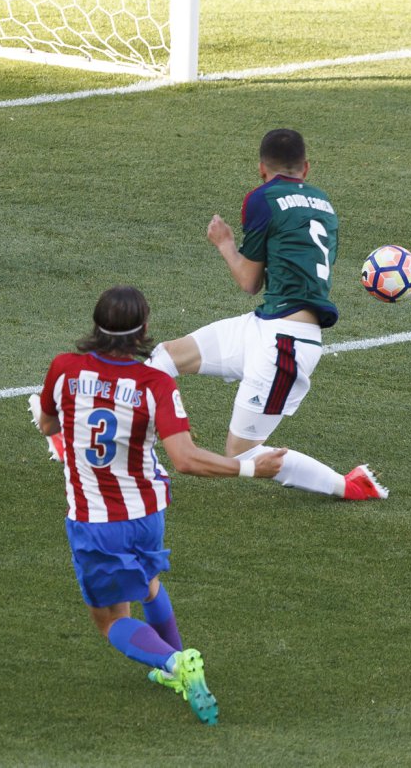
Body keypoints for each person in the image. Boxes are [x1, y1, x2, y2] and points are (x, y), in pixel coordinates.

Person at [29, 285, 286, 725]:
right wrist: (249, 469)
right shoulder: (155, 384)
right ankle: (177, 667)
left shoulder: (65, 368)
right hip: (147, 514)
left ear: (96, 325)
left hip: (96, 521)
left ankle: (174, 663)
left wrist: (49, 417)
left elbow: (48, 422)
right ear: (144, 330)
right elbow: (184, 458)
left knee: (110, 621)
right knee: (146, 584)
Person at [145, 128, 388, 501]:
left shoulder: (262, 199)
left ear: (261, 169)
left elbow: (249, 280)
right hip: (268, 325)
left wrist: (225, 243)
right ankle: (134, 451)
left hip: (285, 345)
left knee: (241, 454)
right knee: (164, 357)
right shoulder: (324, 202)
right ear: (306, 168)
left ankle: (350, 486)